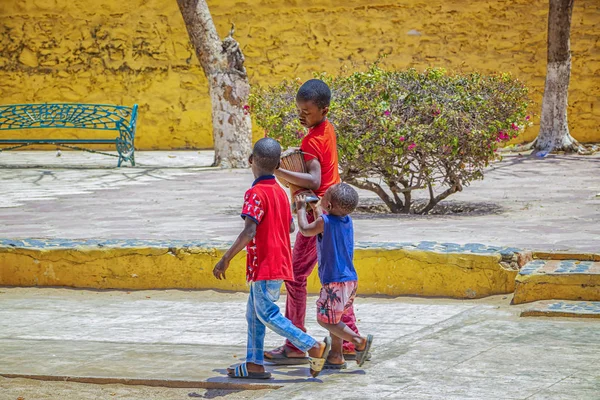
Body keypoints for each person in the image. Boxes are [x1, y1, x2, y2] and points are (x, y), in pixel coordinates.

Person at [213, 137, 331, 379]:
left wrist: (226, 258)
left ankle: (311, 345)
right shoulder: (279, 190)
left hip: (265, 264)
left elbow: (249, 230)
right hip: (279, 261)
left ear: (250, 161)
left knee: (267, 314)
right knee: (254, 314)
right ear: (278, 163)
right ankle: (254, 364)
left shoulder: (255, 193)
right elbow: (288, 228)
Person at [266, 79, 362, 365]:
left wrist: (277, 169)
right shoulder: (327, 129)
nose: (301, 116)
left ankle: (296, 343)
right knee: (339, 277)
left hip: (315, 212)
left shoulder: (312, 140)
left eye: (306, 112)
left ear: (323, 109)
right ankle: (348, 341)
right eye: (299, 110)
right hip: (335, 213)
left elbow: (315, 180)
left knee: (295, 278)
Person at [295, 183, 373, 369]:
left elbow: (306, 230)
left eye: (324, 197)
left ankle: (358, 341)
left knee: (324, 319)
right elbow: (322, 226)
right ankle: (336, 356)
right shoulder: (346, 220)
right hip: (349, 280)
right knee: (335, 319)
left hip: (334, 282)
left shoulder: (325, 222)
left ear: (328, 206)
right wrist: (315, 209)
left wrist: (299, 209)